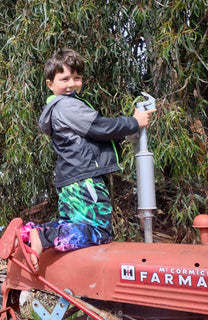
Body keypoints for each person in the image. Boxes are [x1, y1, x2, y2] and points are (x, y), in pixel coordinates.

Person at [24, 48, 156, 271]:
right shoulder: (67, 105)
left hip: (71, 178)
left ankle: (29, 234)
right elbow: (99, 127)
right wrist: (134, 122)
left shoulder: (59, 107)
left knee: (74, 226)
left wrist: (127, 131)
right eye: (64, 79)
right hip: (84, 177)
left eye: (77, 78)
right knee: (99, 230)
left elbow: (92, 135)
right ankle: (43, 237)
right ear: (50, 84)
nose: (71, 84)